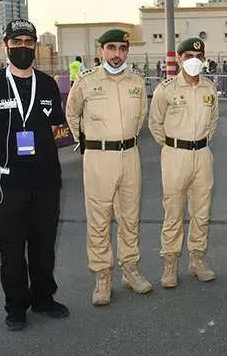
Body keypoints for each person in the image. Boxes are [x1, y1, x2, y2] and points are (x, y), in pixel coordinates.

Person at [0, 19, 69, 330]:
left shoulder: (47, 84)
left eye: (29, 42)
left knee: (43, 247)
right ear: (6, 46)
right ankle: (15, 306)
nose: (23, 48)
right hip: (8, 183)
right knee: (12, 251)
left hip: (44, 182)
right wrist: (1, 161)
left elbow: (55, 127)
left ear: (35, 46)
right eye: (17, 43)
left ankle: (43, 298)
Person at [65, 28, 151, 306]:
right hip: (99, 157)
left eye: (122, 49)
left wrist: (124, 139)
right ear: (100, 50)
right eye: (111, 48)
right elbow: (72, 113)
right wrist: (89, 143)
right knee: (100, 218)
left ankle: (130, 270)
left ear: (127, 51)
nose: (117, 54)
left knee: (130, 216)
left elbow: (140, 118)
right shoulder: (86, 81)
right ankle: (103, 276)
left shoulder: (137, 81)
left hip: (129, 154)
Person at [149, 37, 218, 288]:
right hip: (175, 154)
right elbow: (155, 124)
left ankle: (197, 260)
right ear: (179, 58)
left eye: (198, 57)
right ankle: (170, 263)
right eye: (188, 56)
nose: (194, 61)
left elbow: (212, 124)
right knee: (174, 211)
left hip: (202, 154)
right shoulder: (165, 89)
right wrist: (172, 146)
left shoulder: (209, 89)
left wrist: (198, 143)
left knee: (201, 212)